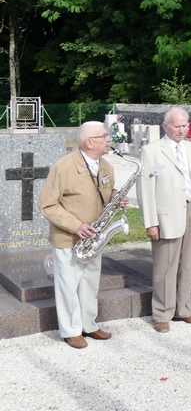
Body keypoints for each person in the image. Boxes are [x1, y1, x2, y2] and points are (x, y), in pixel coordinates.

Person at [38, 121, 127, 349]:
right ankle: (71, 330)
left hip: (94, 238)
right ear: (89, 142)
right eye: (104, 136)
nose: (109, 139)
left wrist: (117, 198)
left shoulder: (106, 166)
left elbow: (108, 191)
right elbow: (47, 205)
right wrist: (76, 226)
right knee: (68, 285)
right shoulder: (63, 167)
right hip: (68, 238)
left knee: (90, 283)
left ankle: (89, 324)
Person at [138, 107, 191, 333]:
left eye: (185, 125)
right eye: (177, 126)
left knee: (188, 264)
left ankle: (184, 309)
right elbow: (146, 188)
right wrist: (151, 221)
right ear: (165, 126)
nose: (181, 130)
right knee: (165, 266)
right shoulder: (151, 151)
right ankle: (162, 313)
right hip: (166, 214)